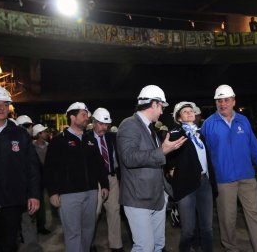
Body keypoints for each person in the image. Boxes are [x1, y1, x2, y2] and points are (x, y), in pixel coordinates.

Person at [201, 84, 257, 252]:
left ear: (233, 101)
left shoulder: (243, 120)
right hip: (224, 180)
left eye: (226, 100)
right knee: (227, 219)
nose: (222, 104)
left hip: (246, 175)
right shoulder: (209, 125)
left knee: (255, 215)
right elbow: (203, 154)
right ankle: (231, 248)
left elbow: (253, 144)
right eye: (219, 100)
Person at [116, 85, 186, 252]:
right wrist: (162, 151)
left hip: (157, 197)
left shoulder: (150, 130)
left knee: (158, 245)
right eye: (161, 106)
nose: (162, 111)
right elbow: (129, 157)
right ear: (154, 104)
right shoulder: (129, 124)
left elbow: (154, 159)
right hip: (138, 198)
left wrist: (165, 191)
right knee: (145, 247)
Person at [44, 102, 109, 252]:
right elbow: (49, 169)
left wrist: (104, 184)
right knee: (73, 233)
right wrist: (53, 191)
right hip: (69, 195)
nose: (87, 118)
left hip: (91, 192)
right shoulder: (59, 141)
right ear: (73, 118)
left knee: (88, 231)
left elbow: (99, 165)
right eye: (83, 115)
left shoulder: (89, 140)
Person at [0, 86, 40, 252]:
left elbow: (32, 167)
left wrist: (33, 194)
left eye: (5, 104)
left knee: (8, 246)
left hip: (11, 203)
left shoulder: (20, 134)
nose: (1, 107)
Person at [166, 101, 217, 252]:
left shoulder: (200, 134)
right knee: (188, 230)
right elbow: (168, 156)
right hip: (186, 185)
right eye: (185, 112)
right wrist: (170, 168)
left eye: (191, 111)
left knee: (207, 227)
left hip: (204, 183)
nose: (190, 113)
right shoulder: (175, 134)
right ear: (179, 118)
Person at [88, 108, 124, 252]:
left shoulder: (111, 138)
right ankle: (88, 243)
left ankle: (116, 245)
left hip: (112, 178)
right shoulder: (86, 139)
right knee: (94, 213)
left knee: (114, 211)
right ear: (94, 122)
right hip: (95, 181)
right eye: (101, 124)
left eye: (106, 124)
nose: (104, 127)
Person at [17, 115, 44, 252]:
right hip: (22, 193)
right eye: (31, 126)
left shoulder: (22, 142)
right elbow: (34, 168)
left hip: (21, 193)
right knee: (27, 225)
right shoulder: (24, 142)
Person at [32, 124, 51, 235]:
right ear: (39, 134)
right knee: (39, 202)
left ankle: (42, 224)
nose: (46, 133)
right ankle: (39, 225)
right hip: (37, 178)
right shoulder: (31, 147)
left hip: (48, 176)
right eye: (44, 132)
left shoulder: (49, 146)